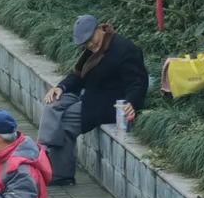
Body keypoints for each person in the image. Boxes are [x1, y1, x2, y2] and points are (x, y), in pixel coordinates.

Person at [38, 14, 148, 185]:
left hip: (107, 105)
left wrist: (131, 102)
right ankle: (45, 152)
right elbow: (78, 75)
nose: (90, 45)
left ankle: (58, 172)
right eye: (85, 43)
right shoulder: (91, 51)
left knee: (64, 123)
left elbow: (138, 83)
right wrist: (61, 87)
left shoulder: (124, 49)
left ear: (100, 29)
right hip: (88, 96)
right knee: (54, 104)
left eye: (91, 40)